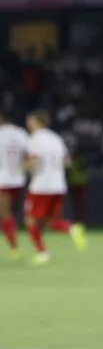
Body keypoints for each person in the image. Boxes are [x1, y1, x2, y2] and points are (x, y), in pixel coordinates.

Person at [23, 111, 87, 265]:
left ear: (37, 123)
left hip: (41, 186)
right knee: (50, 221)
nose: (28, 124)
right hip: (58, 185)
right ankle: (72, 229)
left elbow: (34, 160)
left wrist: (22, 168)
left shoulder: (35, 139)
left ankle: (42, 252)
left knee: (30, 219)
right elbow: (67, 160)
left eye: (30, 121)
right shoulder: (55, 138)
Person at [0, 111, 29, 259]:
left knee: (5, 213)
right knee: (10, 213)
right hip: (19, 179)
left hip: (3, 180)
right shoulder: (21, 133)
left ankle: (14, 247)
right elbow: (30, 153)